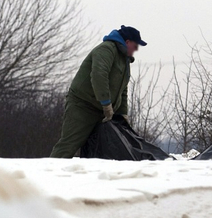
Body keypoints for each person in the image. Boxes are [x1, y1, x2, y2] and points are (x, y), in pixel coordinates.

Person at [50, 25, 146, 158]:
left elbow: (122, 89)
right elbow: (98, 75)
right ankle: (50, 173)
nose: (136, 49)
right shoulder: (106, 50)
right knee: (69, 145)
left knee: (96, 150)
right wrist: (106, 103)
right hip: (82, 106)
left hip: (104, 111)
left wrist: (122, 114)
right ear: (128, 42)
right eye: (135, 46)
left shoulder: (125, 61)